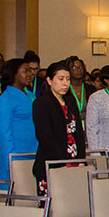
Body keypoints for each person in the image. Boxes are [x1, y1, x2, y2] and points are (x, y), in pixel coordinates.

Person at [31, 61, 86, 193]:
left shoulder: (70, 101)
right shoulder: (42, 103)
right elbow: (44, 136)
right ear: (49, 80)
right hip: (53, 161)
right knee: (53, 201)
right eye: (61, 79)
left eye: (68, 79)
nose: (65, 83)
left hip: (74, 160)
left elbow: (79, 132)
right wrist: (62, 162)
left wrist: (81, 159)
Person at [0, 58, 38, 183]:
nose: (30, 74)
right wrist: (12, 162)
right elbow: (4, 135)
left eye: (30, 71)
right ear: (13, 74)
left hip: (33, 153)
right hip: (15, 156)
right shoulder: (5, 100)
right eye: (25, 71)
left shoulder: (31, 96)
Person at [85, 64, 109, 152]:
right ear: (107, 80)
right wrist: (95, 153)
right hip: (105, 149)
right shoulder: (96, 98)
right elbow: (91, 128)